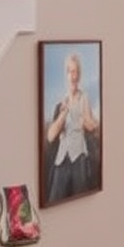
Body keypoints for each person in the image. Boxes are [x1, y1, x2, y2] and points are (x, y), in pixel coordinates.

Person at [44, 52, 99, 204]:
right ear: (66, 74)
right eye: (70, 72)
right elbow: (50, 136)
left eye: (76, 72)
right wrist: (64, 113)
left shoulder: (84, 97)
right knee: (54, 199)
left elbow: (91, 125)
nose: (73, 76)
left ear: (79, 74)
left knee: (81, 201)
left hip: (79, 158)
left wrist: (85, 121)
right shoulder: (61, 102)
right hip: (61, 160)